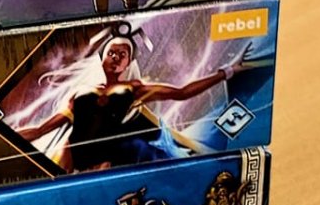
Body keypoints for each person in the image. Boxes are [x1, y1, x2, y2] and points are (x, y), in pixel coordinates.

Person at [20, 27, 244, 173]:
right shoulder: (81, 92)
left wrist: (225, 73)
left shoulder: (133, 89)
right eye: (111, 53)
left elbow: (182, 93)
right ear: (103, 58)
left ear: (128, 63)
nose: (116, 58)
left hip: (102, 162)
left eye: (122, 55)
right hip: (69, 156)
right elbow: (41, 129)